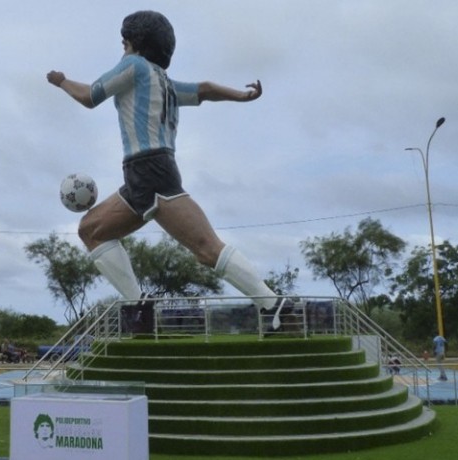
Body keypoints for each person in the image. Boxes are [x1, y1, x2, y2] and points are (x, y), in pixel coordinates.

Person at [46, 10, 286, 329]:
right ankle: (140, 309)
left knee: (206, 248)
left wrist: (61, 81)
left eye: (125, 42)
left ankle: (272, 304)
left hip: (150, 172)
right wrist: (242, 96)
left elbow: (90, 96)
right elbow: (204, 90)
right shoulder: (167, 84)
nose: (123, 47)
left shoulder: (135, 66)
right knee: (91, 229)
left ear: (135, 44)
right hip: (145, 176)